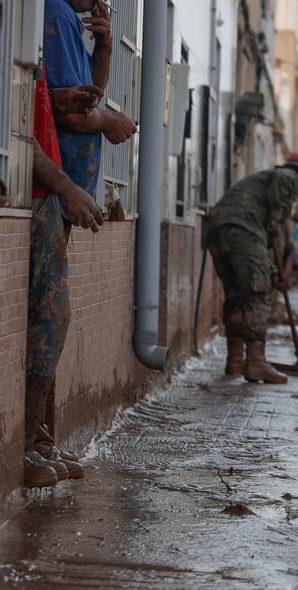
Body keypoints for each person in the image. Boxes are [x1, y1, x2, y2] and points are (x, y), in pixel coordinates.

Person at [23, 75, 106, 488]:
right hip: (34, 194)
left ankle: (38, 437)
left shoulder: (47, 32)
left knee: (52, 324)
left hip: (47, 196)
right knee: (49, 319)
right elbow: (19, 134)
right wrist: (66, 188)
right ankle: (24, 443)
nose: (98, 5)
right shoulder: (41, 15)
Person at [205, 164, 298, 384]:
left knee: (235, 295)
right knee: (257, 295)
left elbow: (263, 248)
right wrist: (274, 219)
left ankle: (235, 360)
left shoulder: (257, 186)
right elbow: (283, 181)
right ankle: (256, 362)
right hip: (242, 231)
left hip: (217, 231)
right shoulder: (290, 177)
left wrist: (271, 269)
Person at [44, 0, 137, 202]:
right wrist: (108, 121)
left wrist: (104, 46)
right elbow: (70, 112)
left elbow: (93, 93)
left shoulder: (66, 17)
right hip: (52, 186)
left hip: (63, 189)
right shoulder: (58, 15)